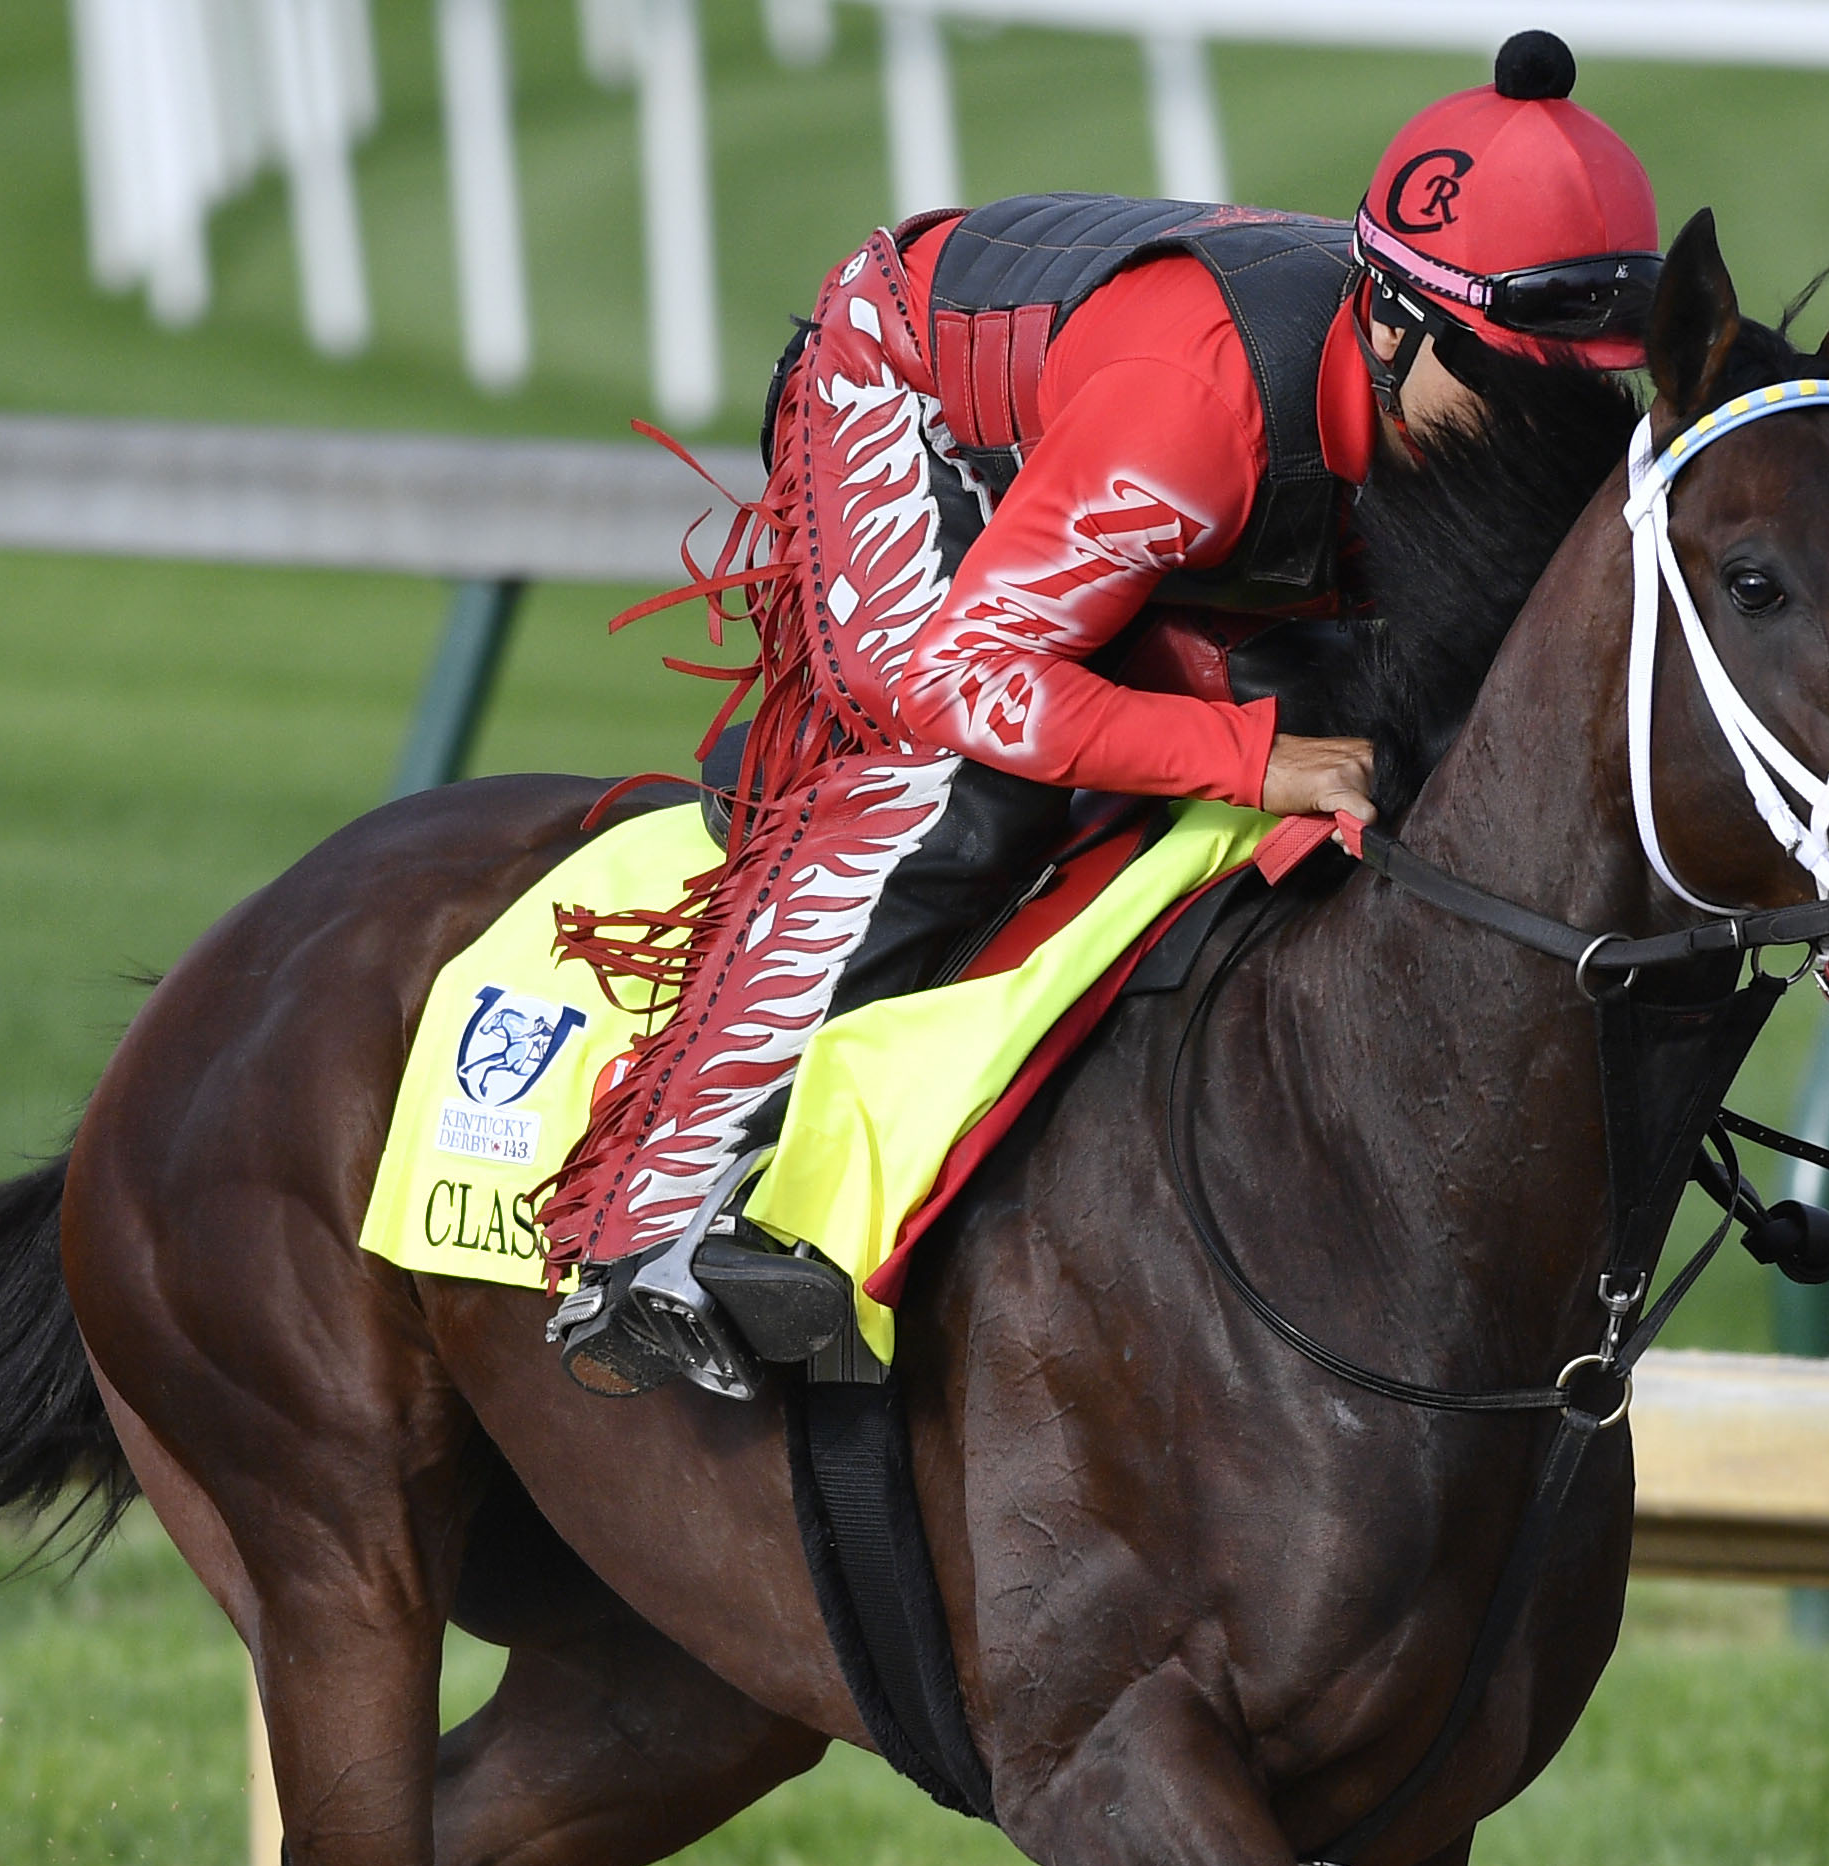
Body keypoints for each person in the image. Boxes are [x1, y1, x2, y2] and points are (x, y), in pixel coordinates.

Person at [538, 28, 1666, 1398]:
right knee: (953, 782)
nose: (1536, 430)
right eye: (1507, 382)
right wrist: (1254, 755)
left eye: (1584, 387)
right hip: (911, 400)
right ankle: (650, 1223)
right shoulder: (1195, 419)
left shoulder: (1423, 376)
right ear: (1388, 319)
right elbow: (970, 676)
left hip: (1159, 479)